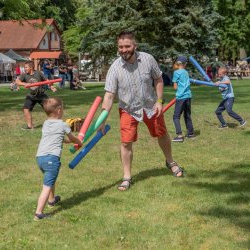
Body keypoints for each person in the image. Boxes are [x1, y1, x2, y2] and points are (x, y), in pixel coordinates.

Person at [101, 31, 184, 191]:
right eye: (120, 47)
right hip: (128, 109)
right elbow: (109, 95)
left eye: (127, 46)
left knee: (162, 133)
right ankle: (126, 177)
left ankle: (170, 162)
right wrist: (102, 119)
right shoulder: (115, 67)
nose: (124, 50)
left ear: (135, 45)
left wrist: (159, 101)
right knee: (126, 142)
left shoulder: (147, 59)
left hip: (150, 106)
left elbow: (158, 78)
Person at [34, 97, 82, 220]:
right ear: (59, 111)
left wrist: (65, 142)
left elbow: (54, 137)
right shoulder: (63, 125)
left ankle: (51, 200)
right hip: (51, 159)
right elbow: (72, 138)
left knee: (51, 179)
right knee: (47, 185)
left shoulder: (46, 123)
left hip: (40, 158)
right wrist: (79, 141)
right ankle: (38, 213)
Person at [16, 60, 57, 129]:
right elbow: (17, 81)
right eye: (24, 67)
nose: (25, 69)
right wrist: (24, 83)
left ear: (31, 67)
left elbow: (47, 81)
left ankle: (55, 125)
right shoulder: (24, 75)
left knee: (49, 109)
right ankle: (30, 126)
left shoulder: (38, 73)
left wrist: (51, 86)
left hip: (41, 95)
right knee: (26, 109)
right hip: (31, 96)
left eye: (26, 67)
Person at [171, 56, 195, 142]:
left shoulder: (176, 72)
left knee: (176, 117)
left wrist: (177, 87)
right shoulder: (186, 72)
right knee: (187, 115)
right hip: (188, 96)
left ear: (177, 63)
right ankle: (191, 134)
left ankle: (180, 136)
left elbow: (175, 87)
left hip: (181, 97)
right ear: (185, 64)